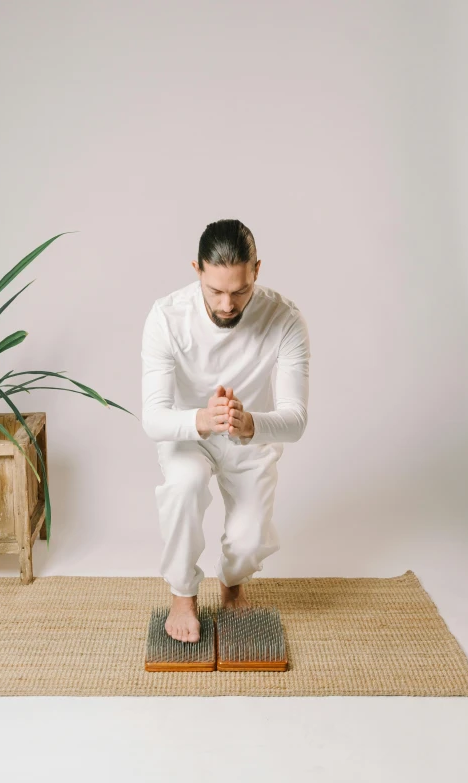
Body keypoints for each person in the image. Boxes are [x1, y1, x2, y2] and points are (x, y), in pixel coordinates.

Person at [141, 218, 310, 642]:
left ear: (257, 270)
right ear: (196, 270)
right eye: (215, 291)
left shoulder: (285, 319)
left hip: (249, 434)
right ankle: (182, 594)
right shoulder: (166, 317)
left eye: (240, 291)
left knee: (249, 540)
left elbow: (295, 420)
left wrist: (250, 422)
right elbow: (153, 417)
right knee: (185, 486)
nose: (227, 305)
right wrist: (200, 419)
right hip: (188, 433)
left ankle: (232, 586)